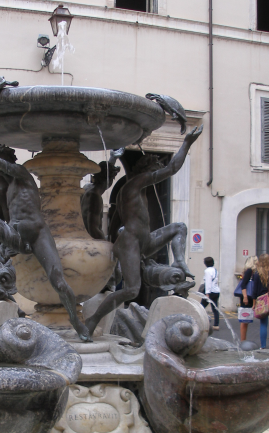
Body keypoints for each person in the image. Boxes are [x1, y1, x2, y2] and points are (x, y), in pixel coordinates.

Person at [0, 113, 90, 342]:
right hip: (15, 233)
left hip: (37, 233)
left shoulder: (20, 174)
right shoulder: (4, 184)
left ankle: (76, 322)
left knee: (58, 280)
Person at [84, 126, 203, 336]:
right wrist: (187, 143)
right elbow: (172, 168)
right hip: (131, 242)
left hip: (142, 240)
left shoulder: (135, 189)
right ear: (147, 171)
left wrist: (112, 242)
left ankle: (178, 261)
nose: (157, 176)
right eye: (154, 170)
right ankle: (92, 321)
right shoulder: (136, 183)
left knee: (179, 228)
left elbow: (113, 225)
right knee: (131, 290)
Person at [81, 148, 123, 240]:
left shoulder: (87, 187)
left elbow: (105, 174)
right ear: (110, 180)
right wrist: (105, 245)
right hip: (90, 241)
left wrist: (113, 158)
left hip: (83, 237)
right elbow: (94, 230)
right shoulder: (95, 196)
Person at [239, 255, 258, 341]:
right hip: (247, 297)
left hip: (249, 296)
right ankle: (243, 340)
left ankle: (244, 339)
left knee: (247, 319)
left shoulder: (252, 272)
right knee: (244, 320)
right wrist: (245, 297)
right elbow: (243, 284)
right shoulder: (249, 271)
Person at [200, 257, 220, 330]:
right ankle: (216, 324)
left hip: (210, 291)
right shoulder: (215, 270)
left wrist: (207, 293)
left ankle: (199, 321)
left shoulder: (207, 271)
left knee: (201, 307)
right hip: (216, 291)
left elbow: (208, 282)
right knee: (215, 308)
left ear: (206, 263)